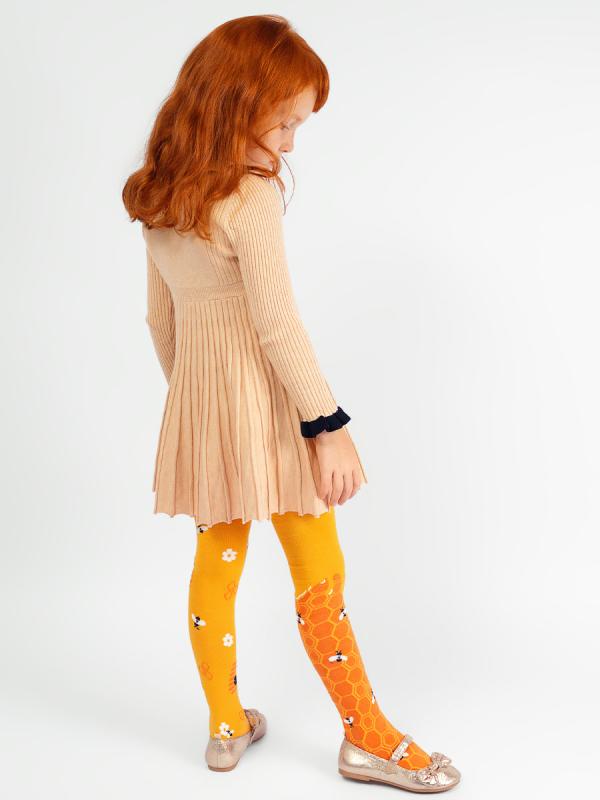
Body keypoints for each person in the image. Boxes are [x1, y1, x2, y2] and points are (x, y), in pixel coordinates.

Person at [122, 14, 461, 792]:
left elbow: (159, 322)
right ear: (235, 105)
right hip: (277, 415)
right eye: (284, 123)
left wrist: (201, 410)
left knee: (217, 564)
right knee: (320, 569)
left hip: (204, 416)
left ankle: (225, 726)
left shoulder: (158, 197)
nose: (291, 143)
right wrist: (328, 427)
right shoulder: (250, 197)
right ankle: (367, 737)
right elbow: (277, 324)